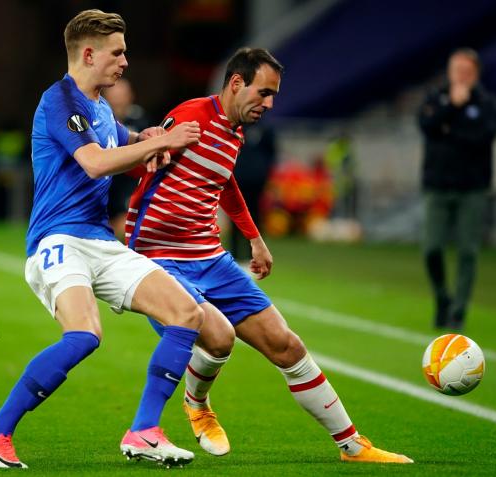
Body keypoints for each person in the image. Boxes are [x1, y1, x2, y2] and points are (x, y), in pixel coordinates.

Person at [125, 47, 413, 464]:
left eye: (273, 95)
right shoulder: (190, 116)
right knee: (218, 339)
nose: (270, 103)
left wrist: (255, 238)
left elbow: (223, 182)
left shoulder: (234, 132)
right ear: (237, 83)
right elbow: (139, 167)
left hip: (209, 255)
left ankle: (352, 446)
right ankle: (197, 404)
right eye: (264, 93)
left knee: (286, 344)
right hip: (160, 259)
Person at [0, 9, 205, 469]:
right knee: (84, 335)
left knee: (186, 313)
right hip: (57, 241)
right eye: (117, 52)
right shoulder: (59, 100)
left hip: (101, 242)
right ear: (89, 53)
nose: (125, 61)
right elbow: (97, 162)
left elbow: (125, 147)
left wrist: (151, 138)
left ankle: (143, 431)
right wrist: (161, 142)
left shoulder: (100, 106)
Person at [418, 48, 496, 330]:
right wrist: (453, 108)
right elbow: (427, 125)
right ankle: (442, 296)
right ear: (449, 71)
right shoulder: (436, 97)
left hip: (472, 188)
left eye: (467, 71)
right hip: (437, 185)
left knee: (468, 251)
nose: (461, 76)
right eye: (457, 70)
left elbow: (482, 138)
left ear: (475, 74)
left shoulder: (487, 104)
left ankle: (458, 310)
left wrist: (447, 130)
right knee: (431, 248)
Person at [103, 78, 149, 238]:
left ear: (130, 96)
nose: (117, 100)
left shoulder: (141, 122)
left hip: (129, 185)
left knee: (126, 227)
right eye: (113, 96)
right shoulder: (99, 122)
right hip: (105, 184)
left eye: (121, 95)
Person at [228, 123, 277, 262]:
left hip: (257, 182)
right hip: (237, 180)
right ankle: (235, 255)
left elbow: (271, 154)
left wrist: (264, 174)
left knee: (256, 216)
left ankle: (254, 255)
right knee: (236, 217)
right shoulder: (237, 127)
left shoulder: (266, 129)